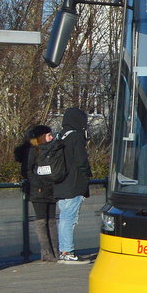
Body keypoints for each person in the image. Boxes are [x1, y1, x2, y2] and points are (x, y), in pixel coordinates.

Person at [15, 125, 59, 262]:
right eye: (48, 135)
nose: (51, 137)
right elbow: (27, 171)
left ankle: (54, 251)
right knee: (42, 220)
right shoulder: (33, 151)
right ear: (41, 137)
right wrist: (37, 184)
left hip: (50, 188)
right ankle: (47, 252)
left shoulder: (51, 150)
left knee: (51, 220)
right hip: (38, 190)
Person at [54, 107, 92, 264]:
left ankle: (64, 250)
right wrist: (87, 174)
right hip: (73, 184)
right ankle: (67, 251)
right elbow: (81, 161)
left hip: (60, 183)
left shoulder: (59, 136)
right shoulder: (76, 137)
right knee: (69, 218)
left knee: (64, 218)